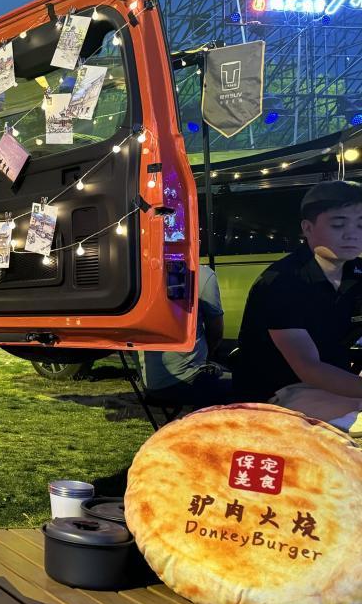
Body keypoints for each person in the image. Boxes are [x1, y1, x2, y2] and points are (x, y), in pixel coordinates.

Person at [235, 180, 362, 429]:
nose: (352, 234)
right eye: (338, 224)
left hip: (331, 383)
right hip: (275, 395)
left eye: (361, 224)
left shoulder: (355, 271)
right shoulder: (282, 282)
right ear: (308, 228)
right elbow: (308, 367)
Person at [139, 264, 231, 406]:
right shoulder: (202, 274)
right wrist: (207, 354)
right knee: (249, 387)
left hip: (150, 385)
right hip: (188, 380)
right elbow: (216, 331)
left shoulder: (137, 274)